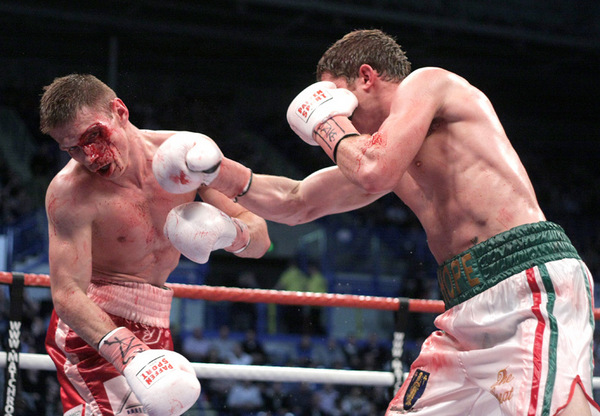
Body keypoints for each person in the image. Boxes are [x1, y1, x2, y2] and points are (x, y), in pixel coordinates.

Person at [166, 29, 599, 415]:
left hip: (527, 280)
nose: (338, 113)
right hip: (464, 305)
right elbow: (297, 202)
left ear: (366, 78)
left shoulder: (428, 83)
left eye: (336, 96)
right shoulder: (386, 155)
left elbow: (372, 170)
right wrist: (214, 170)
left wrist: (326, 123)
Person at [40, 74, 271, 416]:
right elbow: (67, 293)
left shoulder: (187, 157)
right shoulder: (69, 193)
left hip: (156, 320)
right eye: (72, 148)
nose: (89, 156)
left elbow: (261, 239)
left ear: (120, 111)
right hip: (94, 330)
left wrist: (229, 233)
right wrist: (130, 354)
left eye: (93, 136)